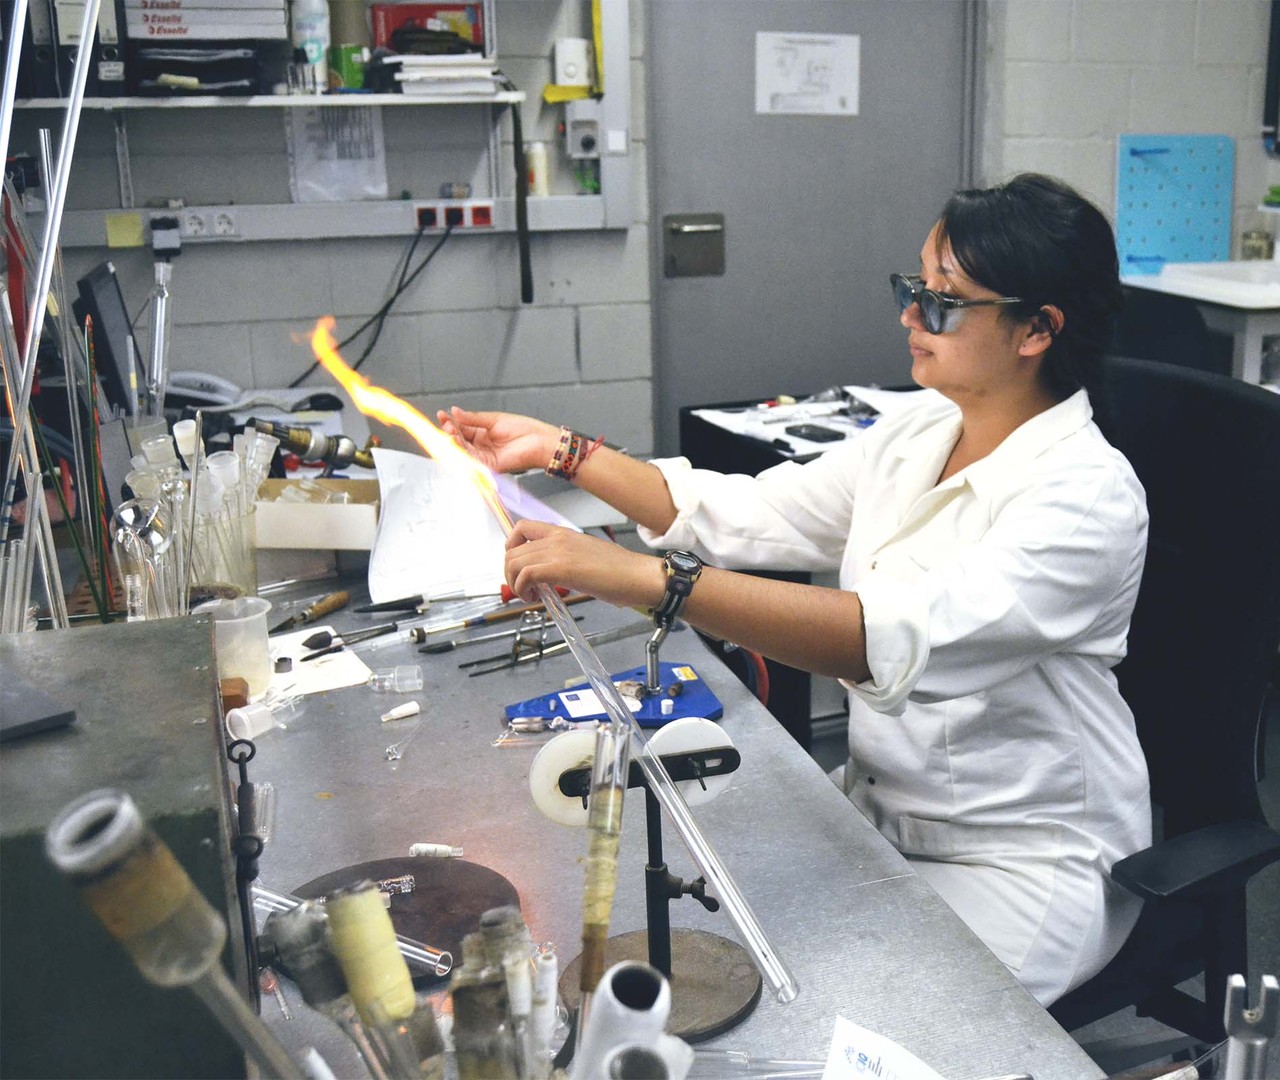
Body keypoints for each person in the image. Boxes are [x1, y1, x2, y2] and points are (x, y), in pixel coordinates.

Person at [440, 173, 1151, 1006]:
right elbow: (747, 512)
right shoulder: (922, 430)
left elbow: (883, 636)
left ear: (1038, 329)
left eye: (945, 301)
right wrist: (563, 450)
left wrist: (645, 581)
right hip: (882, 821)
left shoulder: (1086, 498)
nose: (910, 315)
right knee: (735, 974)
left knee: (850, 1033)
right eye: (913, 286)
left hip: (1022, 864)